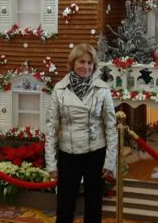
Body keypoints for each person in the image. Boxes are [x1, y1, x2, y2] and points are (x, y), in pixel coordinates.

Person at [45, 44, 117, 223]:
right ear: (73, 63)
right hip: (68, 154)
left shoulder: (102, 89)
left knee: (94, 206)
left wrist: (110, 161)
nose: (86, 66)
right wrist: (51, 164)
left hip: (95, 152)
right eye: (81, 61)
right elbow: (51, 128)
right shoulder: (59, 89)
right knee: (65, 205)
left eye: (90, 63)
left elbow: (111, 127)